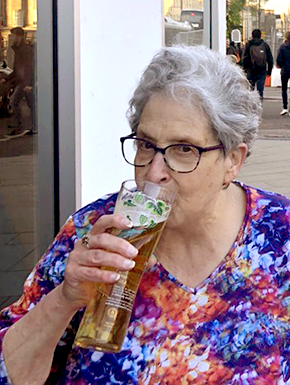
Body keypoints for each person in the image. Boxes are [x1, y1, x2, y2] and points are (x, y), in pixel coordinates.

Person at [1, 45, 290, 384]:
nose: (154, 174)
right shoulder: (92, 232)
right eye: (146, 144)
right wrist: (64, 299)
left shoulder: (279, 237)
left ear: (233, 160)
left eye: (184, 150)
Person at [0, 27, 35, 137]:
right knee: (31, 104)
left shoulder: (25, 50)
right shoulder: (19, 49)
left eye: (13, 36)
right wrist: (6, 79)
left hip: (24, 83)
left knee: (14, 102)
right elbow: (16, 70)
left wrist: (29, 84)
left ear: (19, 37)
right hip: (22, 81)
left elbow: (30, 67)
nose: (12, 38)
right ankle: (33, 127)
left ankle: (21, 127)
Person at [242, 29, 273, 99]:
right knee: (260, 91)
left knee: (250, 91)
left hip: (251, 71)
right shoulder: (264, 45)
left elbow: (245, 58)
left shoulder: (248, 45)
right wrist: (269, 71)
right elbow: (270, 59)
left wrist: (244, 69)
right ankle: (259, 107)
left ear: (252, 35)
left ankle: (250, 107)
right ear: (260, 35)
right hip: (261, 71)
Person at [277, 31, 290, 116]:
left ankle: (285, 107)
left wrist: (281, 65)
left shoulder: (282, 47)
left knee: (284, 89)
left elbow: (279, 59)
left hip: (285, 70)